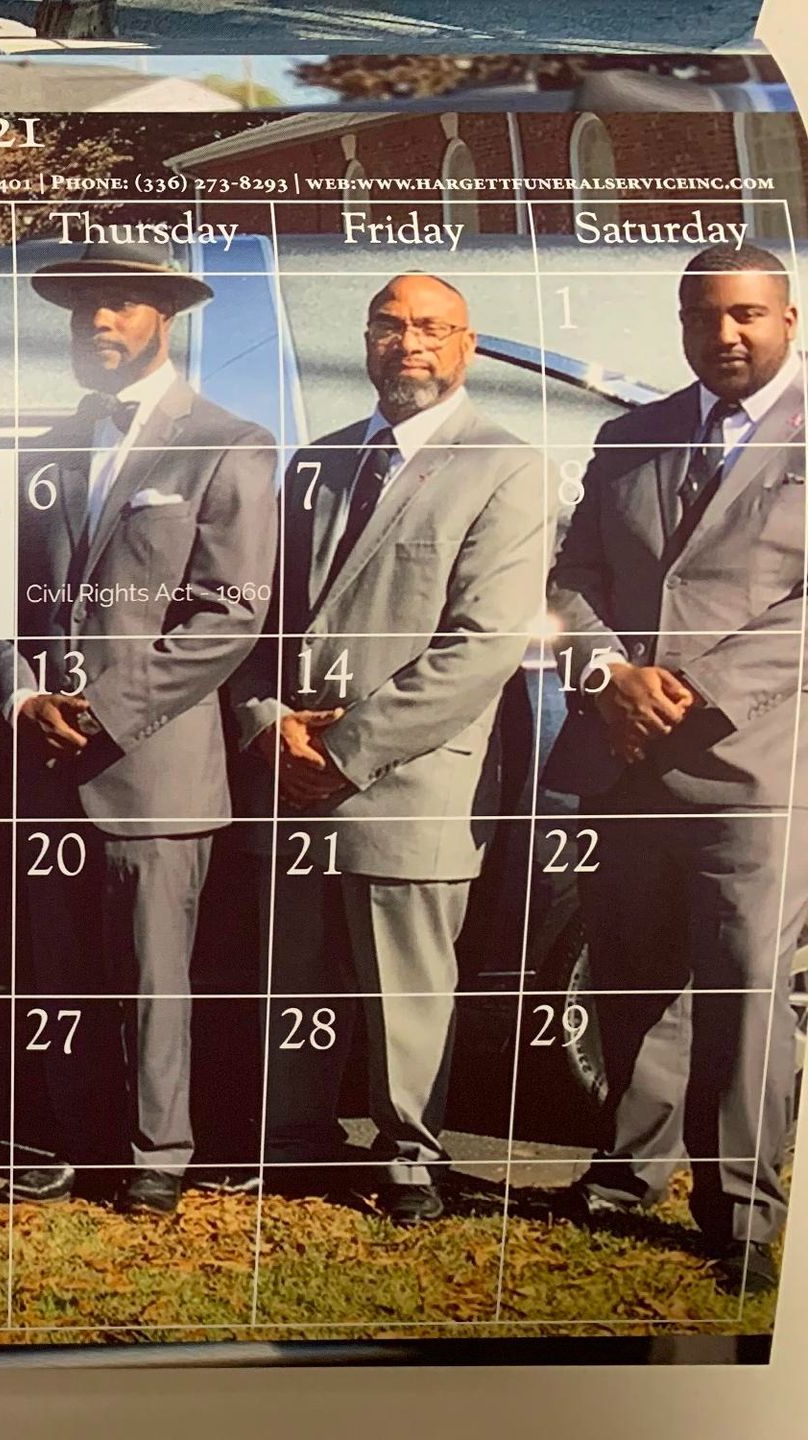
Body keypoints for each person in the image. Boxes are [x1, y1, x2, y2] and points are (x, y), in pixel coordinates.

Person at [232, 273, 544, 1224]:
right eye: (390, 326)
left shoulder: (506, 466)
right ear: (367, 341)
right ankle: (289, 1143)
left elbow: (482, 645)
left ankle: (413, 1160)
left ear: (468, 345)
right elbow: (262, 621)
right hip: (293, 774)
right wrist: (266, 722)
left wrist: (345, 751)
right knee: (295, 973)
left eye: (432, 328)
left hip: (411, 778)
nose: (410, 343)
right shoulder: (317, 464)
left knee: (409, 987)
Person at [0, 240, 278, 1216]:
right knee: (60, 974)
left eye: (119, 306)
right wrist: (23, 698)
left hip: (155, 768)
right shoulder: (47, 449)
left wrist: (107, 713)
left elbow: (231, 616)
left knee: (157, 978)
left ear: (166, 317)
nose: (99, 325)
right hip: (46, 761)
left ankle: (159, 1154)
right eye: (85, 312)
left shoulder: (228, 442)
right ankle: (70, 1141)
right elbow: (7, 604)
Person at [546, 243, 806, 1294]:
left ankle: (743, 1211)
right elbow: (568, 581)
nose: (725, 336)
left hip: (756, 767)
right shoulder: (631, 437)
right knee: (632, 977)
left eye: (747, 315)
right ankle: (627, 1175)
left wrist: (692, 688)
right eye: (704, 319)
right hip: (627, 761)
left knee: (746, 992)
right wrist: (608, 672)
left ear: (789, 321)